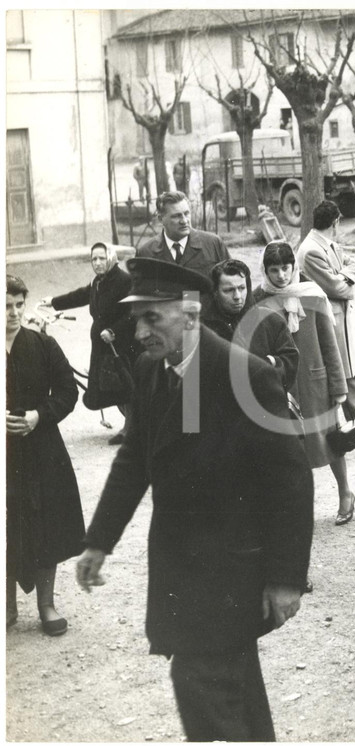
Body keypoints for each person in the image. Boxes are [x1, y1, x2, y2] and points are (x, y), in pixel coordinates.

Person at [76, 258, 313, 741]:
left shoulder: (242, 375)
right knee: (233, 696)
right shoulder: (151, 371)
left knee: (201, 685)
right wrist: (99, 540)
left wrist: (287, 578)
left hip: (229, 571)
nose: (139, 331)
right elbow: (136, 460)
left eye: (151, 317)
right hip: (182, 569)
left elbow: (290, 482)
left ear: (189, 313)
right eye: (135, 319)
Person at [253, 242, 355, 523]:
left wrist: (338, 387)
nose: (281, 276)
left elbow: (329, 343)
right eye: (274, 270)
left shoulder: (313, 294)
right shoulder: (258, 298)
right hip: (280, 382)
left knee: (330, 441)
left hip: (314, 382)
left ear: (294, 267)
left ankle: (345, 492)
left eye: (285, 268)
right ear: (265, 270)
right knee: (289, 447)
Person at [7, 274, 85, 636]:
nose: (13, 314)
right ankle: (6, 604)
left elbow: (68, 391)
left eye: (19, 306)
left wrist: (40, 415)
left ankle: (46, 605)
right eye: (6, 307)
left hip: (40, 450)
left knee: (44, 523)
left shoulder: (41, 344)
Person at [43, 242, 137, 445]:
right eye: (94, 259)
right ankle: (133, 425)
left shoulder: (124, 280)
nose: (97, 263)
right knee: (113, 386)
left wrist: (114, 331)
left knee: (126, 385)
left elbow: (134, 311)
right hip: (103, 345)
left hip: (122, 344)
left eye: (102, 258)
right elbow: (80, 295)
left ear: (111, 257)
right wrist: (53, 301)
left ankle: (131, 429)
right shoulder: (98, 282)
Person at [297, 200, 355, 424]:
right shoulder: (311, 250)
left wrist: (343, 277)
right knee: (338, 368)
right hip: (327, 319)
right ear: (335, 222)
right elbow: (335, 287)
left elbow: (353, 263)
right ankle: (353, 420)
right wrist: (346, 281)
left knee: (349, 366)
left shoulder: (328, 244)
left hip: (339, 316)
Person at [200, 259, 298, 391]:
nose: (237, 296)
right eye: (228, 290)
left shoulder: (271, 321)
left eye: (242, 288)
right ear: (215, 292)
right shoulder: (202, 327)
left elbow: (290, 361)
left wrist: (268, 363)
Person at [138, 191, 230, 277]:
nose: (184, 221)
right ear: (161, 219)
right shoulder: (146, 252)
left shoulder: (213, 244)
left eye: (186, 214)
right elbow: (139, 291)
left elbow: (233, 280)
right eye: (176, 216)